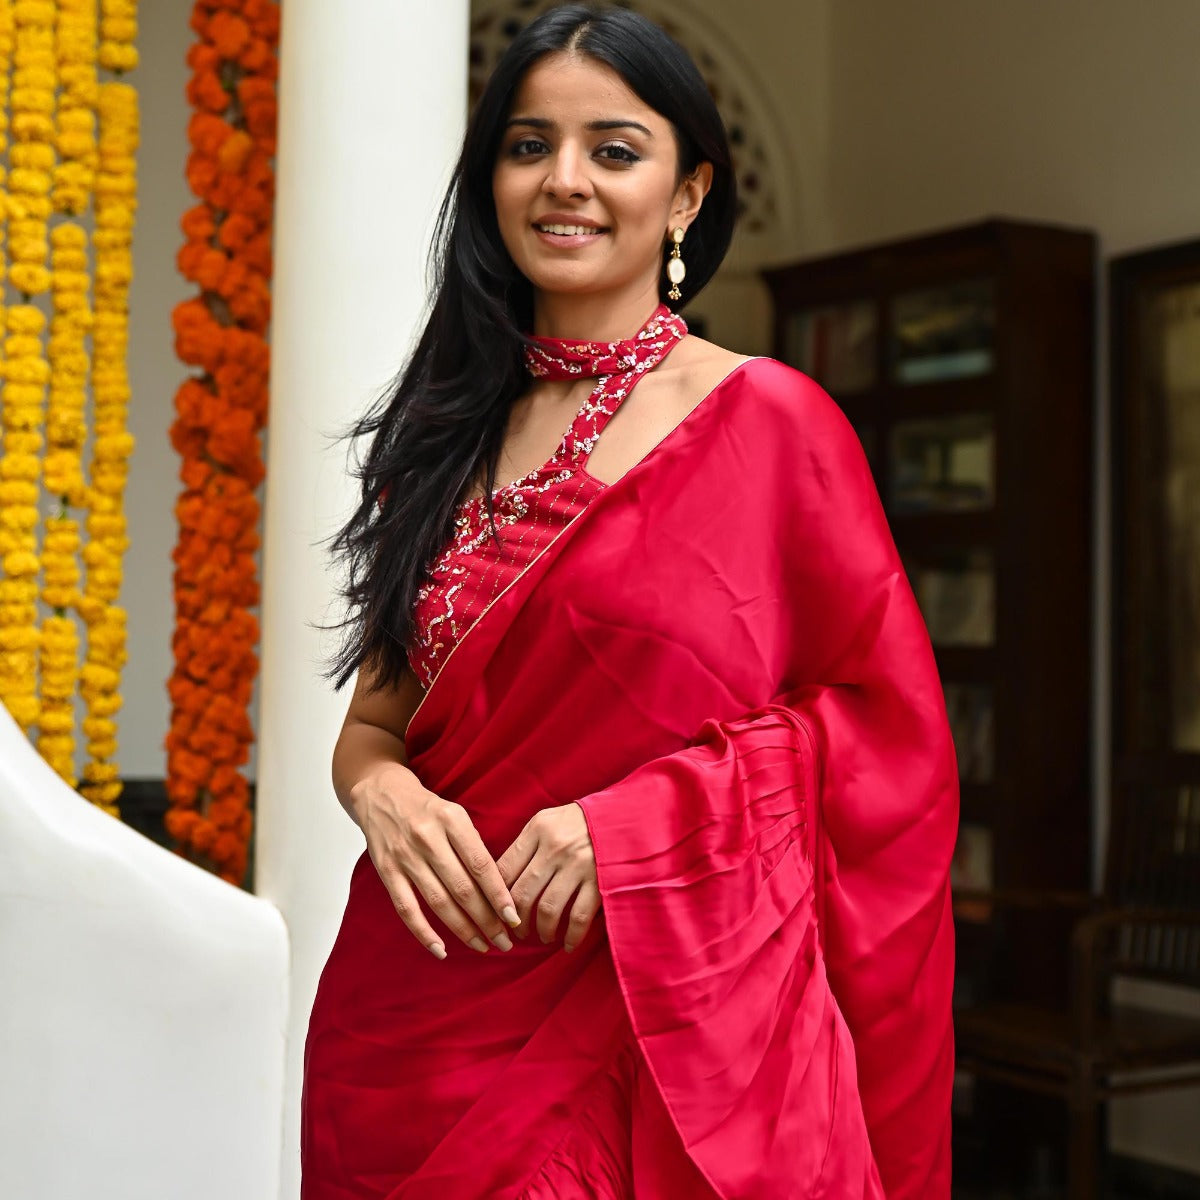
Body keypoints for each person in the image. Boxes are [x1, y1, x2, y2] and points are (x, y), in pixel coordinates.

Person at [301, 5, 958, 1198]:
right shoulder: (441, 439)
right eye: (526, 144)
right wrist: (380, 794)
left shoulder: (772, 423)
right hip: (407, 1024)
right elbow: (378, 728)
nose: (565, 181)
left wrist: (641, 831)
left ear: (689, 194)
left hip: (653, 1034)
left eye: (614, 148)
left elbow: (887, 746)